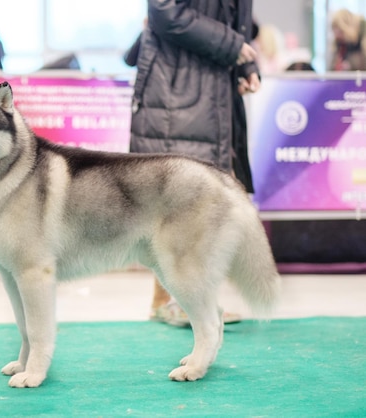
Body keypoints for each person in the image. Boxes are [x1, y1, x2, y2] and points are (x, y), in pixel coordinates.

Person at [127, 0, 260, 327]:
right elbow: (164, 11)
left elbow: (235, 21)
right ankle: (171, 300)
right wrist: (233, 47)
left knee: (204, 201)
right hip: (174, 91)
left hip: (214, 87)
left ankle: (189, 299)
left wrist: (244, 65)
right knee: (177, 201)